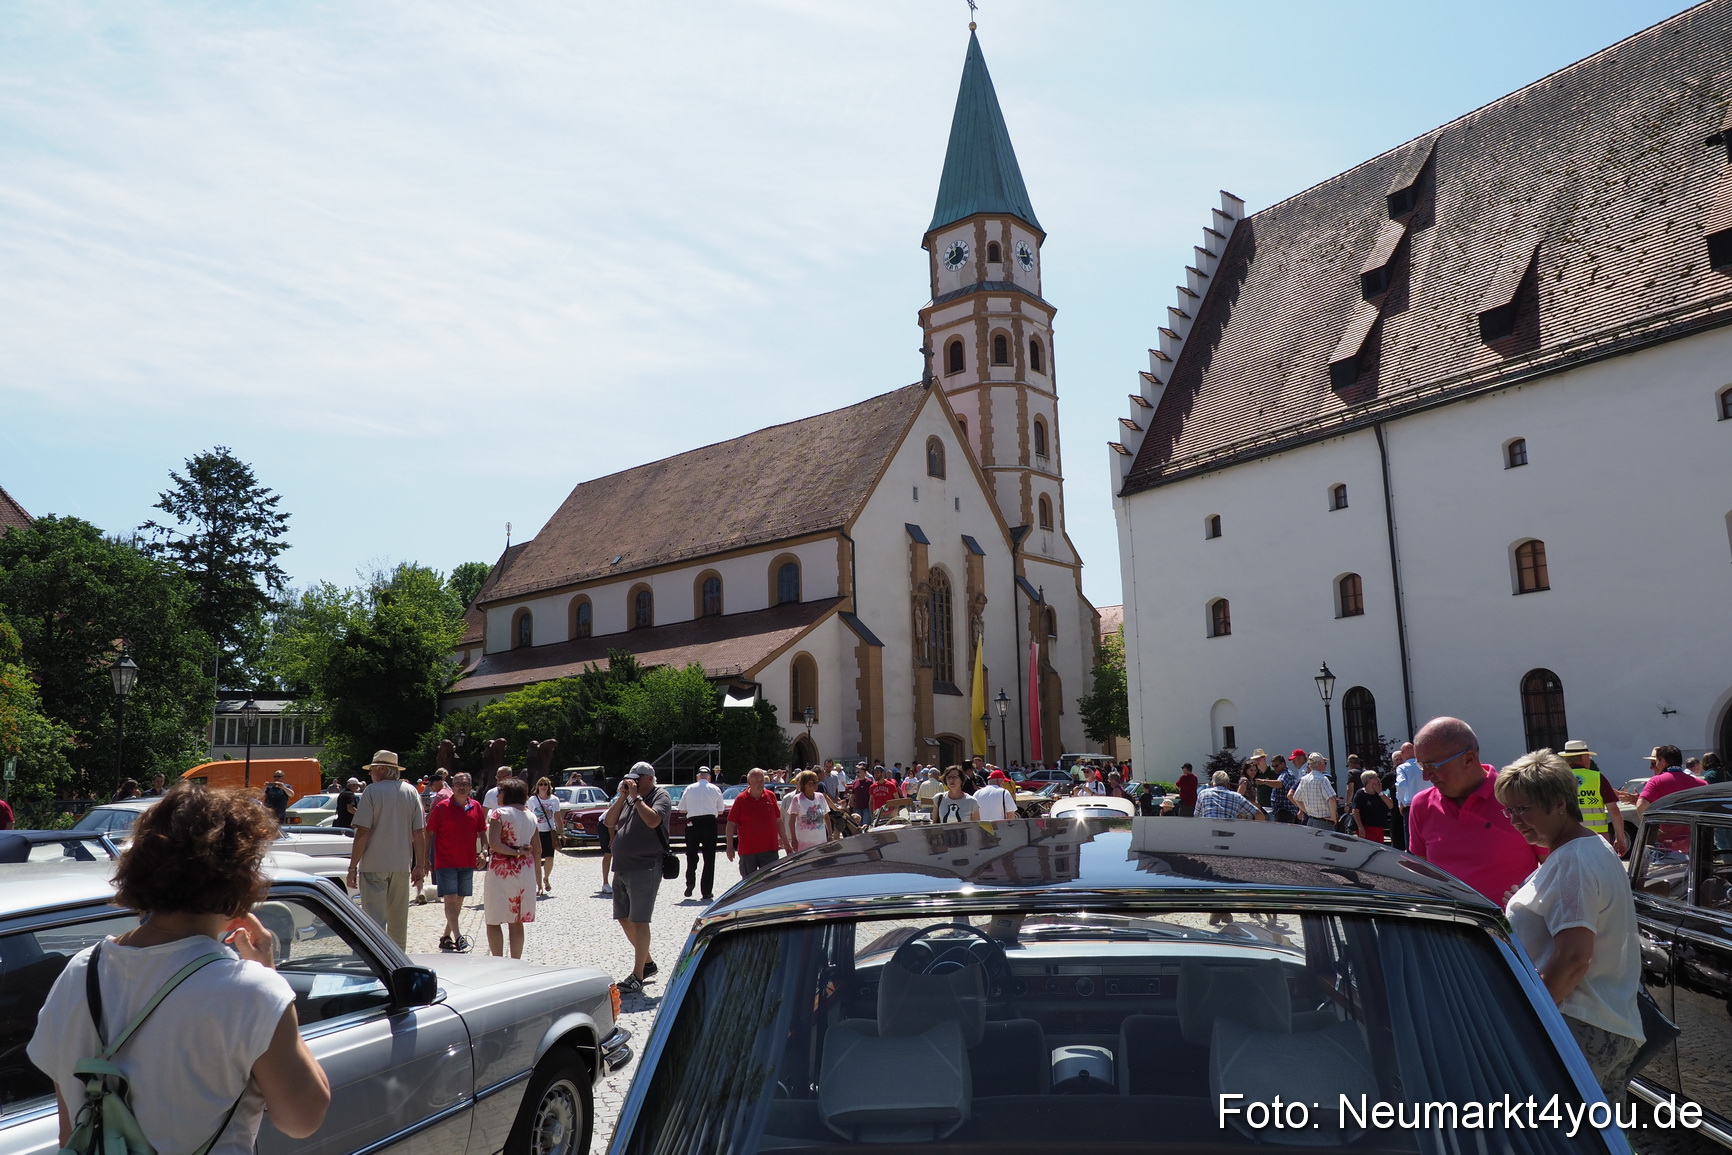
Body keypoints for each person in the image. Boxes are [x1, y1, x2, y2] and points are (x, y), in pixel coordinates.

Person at [27, 785, 331, 1152]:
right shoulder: (252, 990)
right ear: (240, 877)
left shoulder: (80, 970)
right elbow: (302, 1120)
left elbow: (71, 1132)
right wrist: (269, 976)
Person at [1497, 750, 1644, 1103]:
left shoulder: (1572, 861)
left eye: (1523, 808)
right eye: (1509, 810)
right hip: (1609, 1021)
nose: (1514, 820)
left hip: (1578, 1022)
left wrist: (1533, 1017)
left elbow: (1575, 956)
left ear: (1559, 803)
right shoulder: (1592, 846)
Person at [1407, 717, 1543, 905]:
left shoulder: (1519, 798)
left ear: (1469, 759)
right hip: (1447, 930)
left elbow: (1555, 866)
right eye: (1421, 765)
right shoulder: (1421, 804)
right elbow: (1422, 875)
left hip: (1511, 931)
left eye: (1432, 766)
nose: (1425, 775)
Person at [345, 750, 428, 950]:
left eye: (373, 769)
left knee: (374, 921)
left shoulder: (372, 791)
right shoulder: (411, 791)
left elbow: (363, 832)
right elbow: (419, 832)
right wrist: (420, 865)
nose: (371, 773)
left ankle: (378, 960)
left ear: (381, 769)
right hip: (401, 864)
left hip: (374, 863)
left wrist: (352, 867)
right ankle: (398, 961)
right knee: (399, 920)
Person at [605, 763, 672, 994]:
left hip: (646, 866)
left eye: (636, 779)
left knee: (640, 920)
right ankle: (648, 963)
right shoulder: (629, 799)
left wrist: (636, 799)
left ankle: (637, 976)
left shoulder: (659, 796)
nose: (631, 783)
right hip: (622, 866)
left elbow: (654, 821)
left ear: (649, 779)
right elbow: (609, 822)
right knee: (623, 917)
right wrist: (622, 797)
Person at [426, 771, 487, 952]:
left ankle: (446, 936)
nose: (462, 786)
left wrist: (484, 851)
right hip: (445, 861)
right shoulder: (441, 807)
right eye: (458, 784)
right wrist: (424, 860)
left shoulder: (475, 806)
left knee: (459, 901)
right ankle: (459, 937)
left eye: (465, 784)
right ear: (452, 787)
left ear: (470, 787)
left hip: (468, 861)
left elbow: (482, 832)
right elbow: (428, 833)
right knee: (450, 899)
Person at [478, 777, 535, 958]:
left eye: (500, 792)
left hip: (502, 870)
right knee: (516, 921)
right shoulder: (531, 815)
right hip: (525, 870)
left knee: (494, 919)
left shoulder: (498, 814)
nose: (498, 795)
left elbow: (495, 844)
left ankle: (498, 960)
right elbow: (537, 848)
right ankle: (516, 961)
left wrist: (515, 851)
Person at [1559, 740, 1626, 856]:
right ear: (1583, 758)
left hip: (1568, 839)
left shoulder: (1558, 780)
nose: (1590, 760)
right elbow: (1614, 811)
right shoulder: (1598, 778)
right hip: (1598, 839)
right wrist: (1620, 839)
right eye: (1589, 757)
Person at [1635, 745, 1707, 852]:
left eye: (1656, 761)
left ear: (1663, 761)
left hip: (1667, 846)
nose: (1655, 765)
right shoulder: (1702, 784)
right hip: (1696, 845)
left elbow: (1641, 806)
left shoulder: (1656, 781)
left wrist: (1654, 830)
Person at [727, 767, 782, 878]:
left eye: (761, 781)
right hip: (748, 851)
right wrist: (730, 846)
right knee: (749, 884)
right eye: (756, 781)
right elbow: (731, 823)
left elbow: (779, 821)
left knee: (771, 882)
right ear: (749, 783)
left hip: (769, 849)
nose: (760, 784)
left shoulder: (771, 796)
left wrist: (785, 841)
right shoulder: (741, 799)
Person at [681, 766, 725, 900]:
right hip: (710, 823)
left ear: (697, 777)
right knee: (709, 857)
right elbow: (721, 810)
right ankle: (706, 891)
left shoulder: (689, 788)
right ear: (709, 778)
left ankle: (690, 882)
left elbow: (682, 809)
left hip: (693, 823)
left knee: (691, 854)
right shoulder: (715, 789)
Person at [782, 770, 837, 853]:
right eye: (812, 782)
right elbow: (791, 821)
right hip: (804, 843)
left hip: (821, 841)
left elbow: (826, 817)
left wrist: (829, 835)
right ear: (804, 784)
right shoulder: (797, 799)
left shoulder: (821, 797)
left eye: (816, 781)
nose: (815, 784)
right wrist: (793, 839)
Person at [528, 777, 561, 896]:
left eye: (545, 784)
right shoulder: (532, 799)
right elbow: (528, 815)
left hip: (549, 832)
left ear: (549, 786)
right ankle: (539, 886)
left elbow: (557, 816)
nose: (543, 786)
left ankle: (546, 877)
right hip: (535, 832)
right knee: (537, 859)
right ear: (537, 786)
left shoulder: (554, 800)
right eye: (541, 784)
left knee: (550, 858)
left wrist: (561, 832)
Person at [1292, 754, 1339, 830]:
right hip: (1324, 821)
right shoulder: (1323, 779)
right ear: (1320, 764)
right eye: (1324, 762)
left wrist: (1307, 811)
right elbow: (1331, 799)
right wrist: (1333, 816)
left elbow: (1296, 798)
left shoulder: (1304, 779)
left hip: (1310, 821)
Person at [1194, 770, 1265, 821]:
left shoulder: (1203, 794)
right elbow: (1259, 815)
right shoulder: (1236, 797)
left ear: (1212, 784)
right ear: (1228, 785)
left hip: (1208, 834)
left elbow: (1196, 815)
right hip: (1229, 837)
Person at [1351, 770, 1392, 844]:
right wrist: (1360, 827)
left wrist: (1380, 792)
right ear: (1368, 779)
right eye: (1375, 778)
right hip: (1366, 829)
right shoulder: (1360, 794)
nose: (1378, 780)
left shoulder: (1380, 794)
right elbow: (1355, 811)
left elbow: (1390, 805)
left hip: (1380, 828)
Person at [1268, 755, 1300, 824]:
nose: (1274, 768)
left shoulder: (1286, 774)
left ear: (1283, 764)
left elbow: (1280, 784)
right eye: (1273, 766)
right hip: (1282, 812)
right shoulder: (1282, 774)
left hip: (1285, 812)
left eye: (1276, 766)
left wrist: (1264, 782)